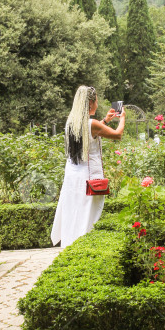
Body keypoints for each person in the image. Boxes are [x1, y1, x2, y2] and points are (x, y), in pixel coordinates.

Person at [51, 85, 126, 248]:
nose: (97, 104)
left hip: (72, 178)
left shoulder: (71, 123)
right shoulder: (91, 124)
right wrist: (122, 119)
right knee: (87, 215)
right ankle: (83, 246)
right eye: (97, 100)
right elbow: (117, 135)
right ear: (91, 103)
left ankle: (69, 246)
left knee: (74, 214)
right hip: (88, 179)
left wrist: (105, 121)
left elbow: (90, 133)